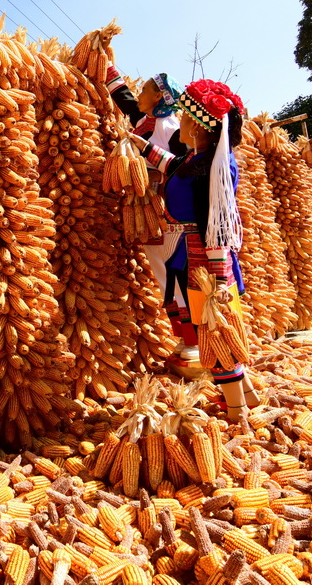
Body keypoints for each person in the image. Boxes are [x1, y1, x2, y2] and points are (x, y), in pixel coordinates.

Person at [127, 79, 260, 421]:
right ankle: (247, 396)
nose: (179, 121)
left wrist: (216, 280)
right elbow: (173, 167)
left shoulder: (214, 169)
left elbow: (215, 225)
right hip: (190, 254)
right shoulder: (199, 160)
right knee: (217, 332)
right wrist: (139, 144)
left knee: (215, 333)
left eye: (185, 117)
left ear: (199, 127)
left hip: (205, 261)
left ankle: (237, 412)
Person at [105, 64, 197, 373]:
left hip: (166, 212)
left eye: (145, 90)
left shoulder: (170, 129)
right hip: (144, 211)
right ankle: (184, 339)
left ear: (159, 96)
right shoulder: (145, 120)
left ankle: (194, 342)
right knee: (163, 278)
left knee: (175, 274)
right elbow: (125, 98)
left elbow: (184, 167)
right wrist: (103, 60)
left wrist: (148, 171)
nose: (139, 94)